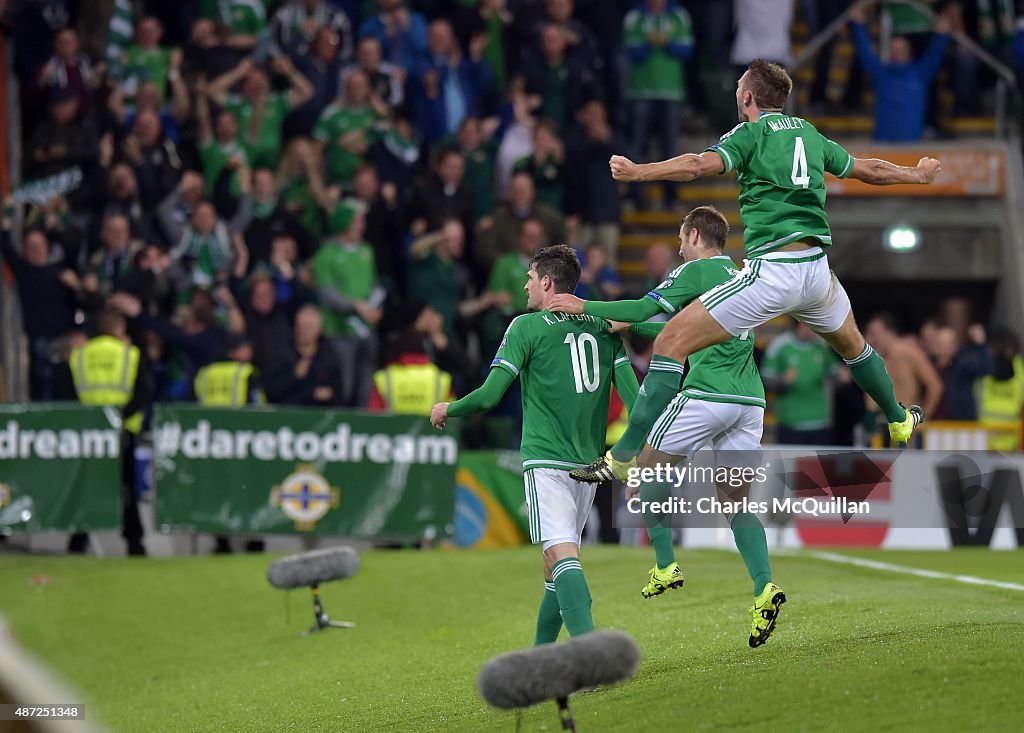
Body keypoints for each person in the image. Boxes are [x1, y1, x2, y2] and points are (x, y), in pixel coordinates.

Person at [591, 59, 940, 483]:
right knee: (855, 347)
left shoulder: (749, 134)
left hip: (774, 272)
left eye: (739, 85)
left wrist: (639, 172)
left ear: (748, 96)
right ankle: (898, 417)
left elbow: (700, 165)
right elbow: (869, 169)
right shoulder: (808, 134)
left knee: (669, 341)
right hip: (816, 272)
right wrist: (918, 176)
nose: (737, 91)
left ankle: (626, 455)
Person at [548, 207, 783, 647]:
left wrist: (585, 305)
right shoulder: (741, 275)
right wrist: (623, 322)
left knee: (640, 472)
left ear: (694, 235)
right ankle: (763, 587)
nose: (678, 245)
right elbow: (668, 323)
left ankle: (665, 563)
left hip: (707, 394)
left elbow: (644, 307)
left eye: (680, 237)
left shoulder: (694, 271)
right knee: (735, 502)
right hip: (750, 401)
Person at [430, 245, 640, 644]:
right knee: (554, 569)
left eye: (529, 279)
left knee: (562, 558)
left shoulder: (524, 327)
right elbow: (637, 403)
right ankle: (541, 656)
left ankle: (589, 653)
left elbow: (490, 396)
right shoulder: (603, 328)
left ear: (546, 282)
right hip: (589, 467)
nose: (524, 286)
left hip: (547, 461)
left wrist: (448, 408)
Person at [69, 309, 152, 556]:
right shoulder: (130, 355)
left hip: (88, 434)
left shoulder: (79, 356)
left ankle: (77, 540)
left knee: (86, 488)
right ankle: (134, 543)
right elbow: (143, 392)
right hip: (123, 433)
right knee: (126, 490)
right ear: (119, 330)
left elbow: (67, 393)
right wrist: (119, 419)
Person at [849, 1, 952, 142]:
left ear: (908, 53)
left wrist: (942, 35)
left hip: (911, 148)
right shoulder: (881, 74)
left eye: (900, 50)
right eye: (894, 50)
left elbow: (935, 53)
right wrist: (858, 26)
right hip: (882, 147)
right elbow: (864, 52)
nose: (897, 54)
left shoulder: (920, 74)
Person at [762, 320, 843, 446]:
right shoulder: (780, 345)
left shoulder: (821, 345)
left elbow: (834, 375)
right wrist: (782, 380)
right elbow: (766, 380)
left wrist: (842, 376)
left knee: (819, 465)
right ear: (802, 324)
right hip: (791, 423)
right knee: (789, 465)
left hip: (820, 422)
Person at [863, 313, 943, 431]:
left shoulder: (911, 354)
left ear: (889, 333)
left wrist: (923, 417)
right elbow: (870, 399)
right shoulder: (875, 359)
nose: (869, 339)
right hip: (882, 425)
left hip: (907, 425)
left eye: (874, 334)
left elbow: (935, 386)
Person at [193, 334, 265, 407]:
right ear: (235, 350)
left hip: (206, 417)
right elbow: (258, 404)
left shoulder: (204, 372)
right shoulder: (247, 372)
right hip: (239, 417)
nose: (251, 353)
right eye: (247, 349)